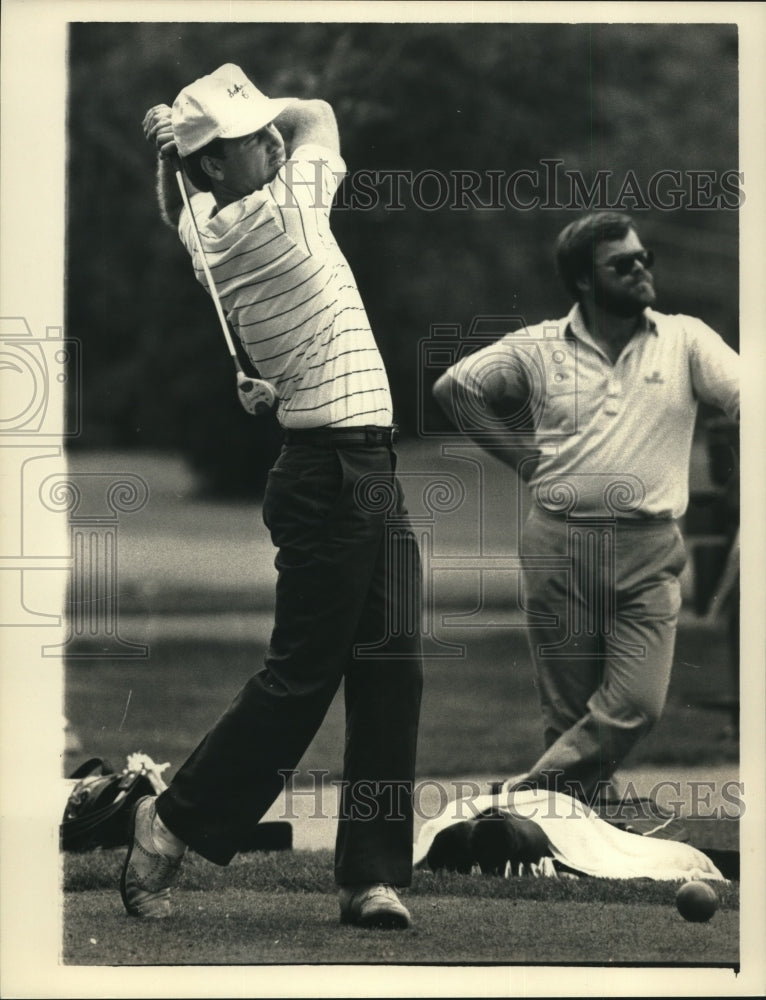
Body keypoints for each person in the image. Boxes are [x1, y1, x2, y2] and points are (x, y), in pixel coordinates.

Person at [128, 64, 423, 928]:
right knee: (303, 678)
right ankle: (170, 819)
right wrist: (196, 137)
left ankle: (370, 875)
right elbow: (321, 112)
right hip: (334, 471)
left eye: (264, 130)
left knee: (391, 672)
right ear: (219, 167)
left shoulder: (212, 231)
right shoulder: (282, 210)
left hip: (358, 467)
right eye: (249, 138)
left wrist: (174, 152)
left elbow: (175, 209)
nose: (271, 138)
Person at [433, 211, 739, 816]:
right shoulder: (542, 347)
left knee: (636, 706)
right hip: (559, 546)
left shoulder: (685, 340)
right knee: (570, 714)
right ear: (582, 282)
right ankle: (575, 841)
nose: (641, 269)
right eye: (622, 264)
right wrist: (524, 460)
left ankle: (515, 803)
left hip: (649, 551)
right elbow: (456, 389)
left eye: (643, 258)